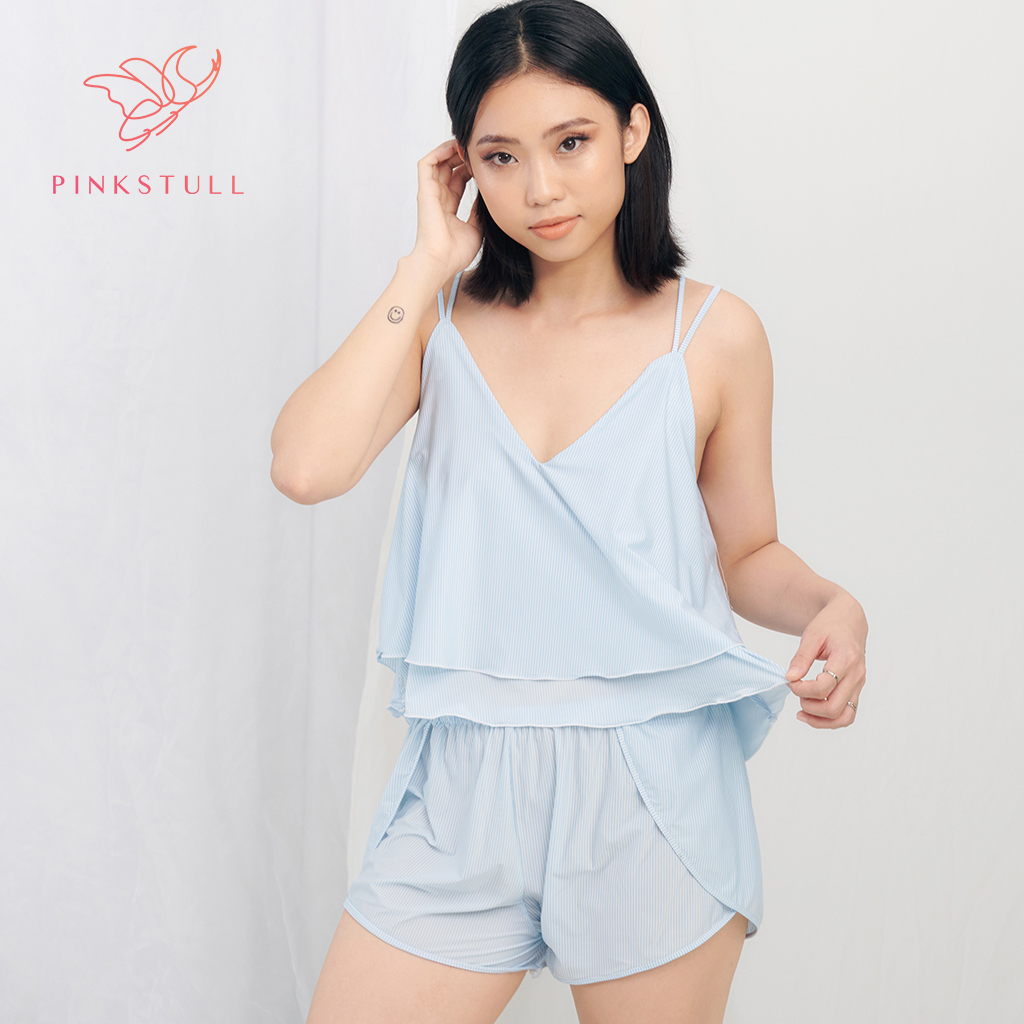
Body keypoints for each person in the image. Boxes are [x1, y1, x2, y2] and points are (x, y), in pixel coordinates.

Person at [270, 1, 869, 1020]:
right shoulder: (439, 321)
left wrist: (830, 604)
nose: (539, 188)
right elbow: (305, 466)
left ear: (633, 131)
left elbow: (745, 552)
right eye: (500, 158)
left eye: (571, 142)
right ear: (462, 168)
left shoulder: (714, 335)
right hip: (460, 785)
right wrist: (424, 265)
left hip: (652, 786)